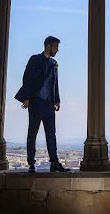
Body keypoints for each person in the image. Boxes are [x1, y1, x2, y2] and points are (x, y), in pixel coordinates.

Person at [14, 36, 70, 173]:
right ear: (48, 46)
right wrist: (26, 97)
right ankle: (31, 163)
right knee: (32, 132)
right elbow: (26, 78)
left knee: (51, 134)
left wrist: (57, 100)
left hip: (49, 103)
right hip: (36, 101)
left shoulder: (54, 63)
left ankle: (54, 163)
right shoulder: (35, 59)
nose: (58, 50)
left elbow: (55, 83)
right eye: (56, 47)